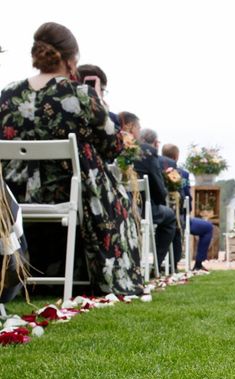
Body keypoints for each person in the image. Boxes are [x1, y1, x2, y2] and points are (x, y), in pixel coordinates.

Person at [0, 22, 143, 295]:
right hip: (69, 191)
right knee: (119, 200)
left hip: (14, 194)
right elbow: (113, 146)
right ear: (71, 58)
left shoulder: (8, 94)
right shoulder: (79, 94)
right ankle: (98, 275)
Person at [130, 124, 177, 270]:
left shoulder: (126, 150)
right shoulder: (149, 153)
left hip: (121, 205)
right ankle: (156, 263)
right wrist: (162, 198)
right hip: (144, 208)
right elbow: (159, 187)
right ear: (155, 142)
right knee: (170, 216)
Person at [161, 143, 213, 271]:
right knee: (207, 228)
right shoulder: (182, 174)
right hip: (178, 218)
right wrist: (187, 210)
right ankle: (198, 264)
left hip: (157, 216)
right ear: (176, 157)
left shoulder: (156, 172)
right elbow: (186, 199)